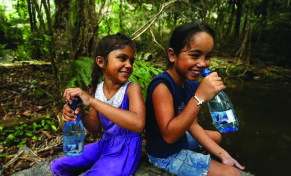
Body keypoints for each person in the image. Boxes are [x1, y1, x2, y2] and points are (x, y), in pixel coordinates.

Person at [145, 22, 245, 176]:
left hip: (180, 139)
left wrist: (223, 154)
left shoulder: (190, 83)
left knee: (216, 137)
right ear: (172, 55)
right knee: (233, 174)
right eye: (195, 55)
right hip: (165, 154)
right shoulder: (162, 87)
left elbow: (193, 125)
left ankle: (197, 158)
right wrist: (200, 97)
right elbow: (169, 136)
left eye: (208, 56)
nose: (203, 64)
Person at [51, 33, 145, 176]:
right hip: (105, 143)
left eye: (131, 61)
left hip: (126, 147)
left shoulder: (132, 89)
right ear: (101, 62)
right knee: (59, 165)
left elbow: (138, 124)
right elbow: (95, 128)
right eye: (122, 58)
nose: (129, 65)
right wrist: (81, 114)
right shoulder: (96, 90)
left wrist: (92, 101)